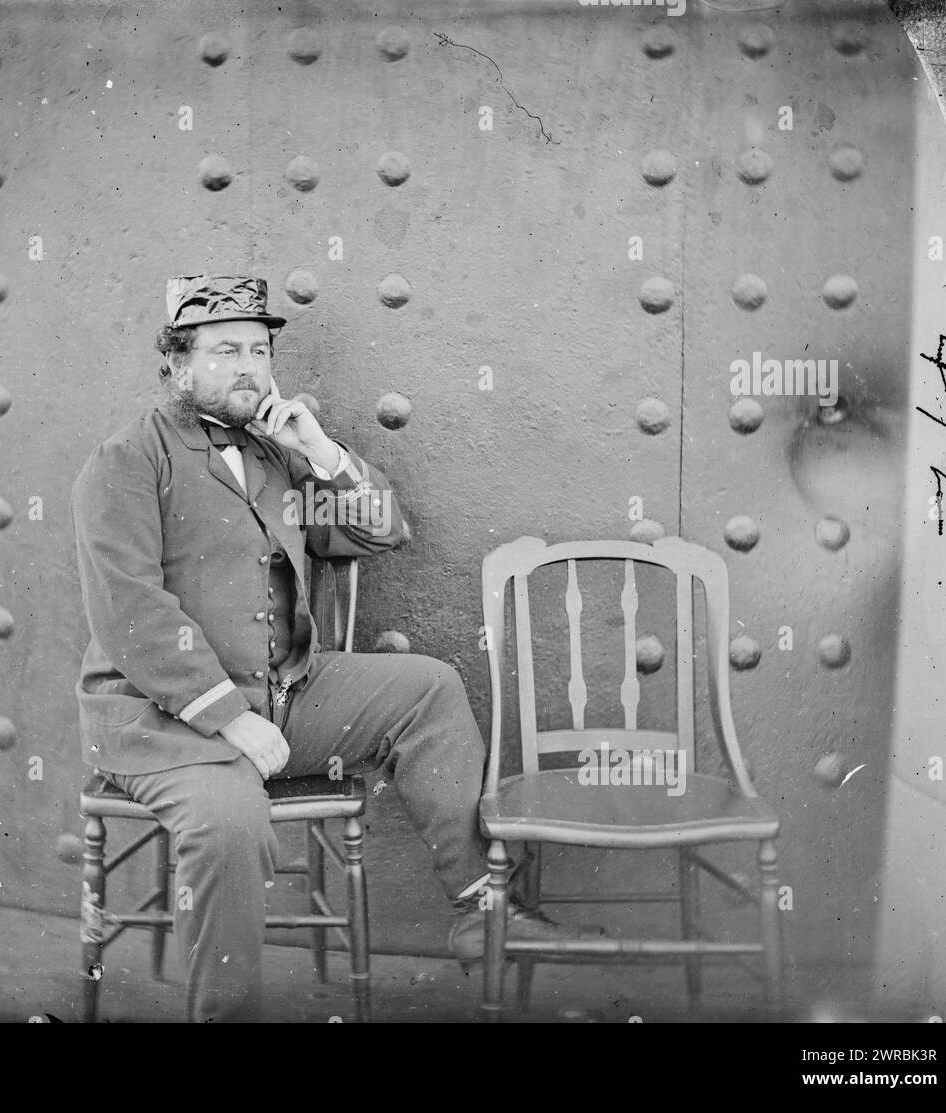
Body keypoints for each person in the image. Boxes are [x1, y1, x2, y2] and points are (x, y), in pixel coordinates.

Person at [71, 274, 591, 1021]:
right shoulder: (127, 460)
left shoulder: (279, 456)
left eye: (259, 349)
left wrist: (318, 448)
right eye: (225, 351)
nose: (248, 366)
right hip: (163, 723)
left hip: (282, 696)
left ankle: (481, 912)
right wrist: (229, 718)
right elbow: (130, 609)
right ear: (179, 365)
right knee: (228, 823)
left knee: (430, 687)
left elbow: (383, 531)